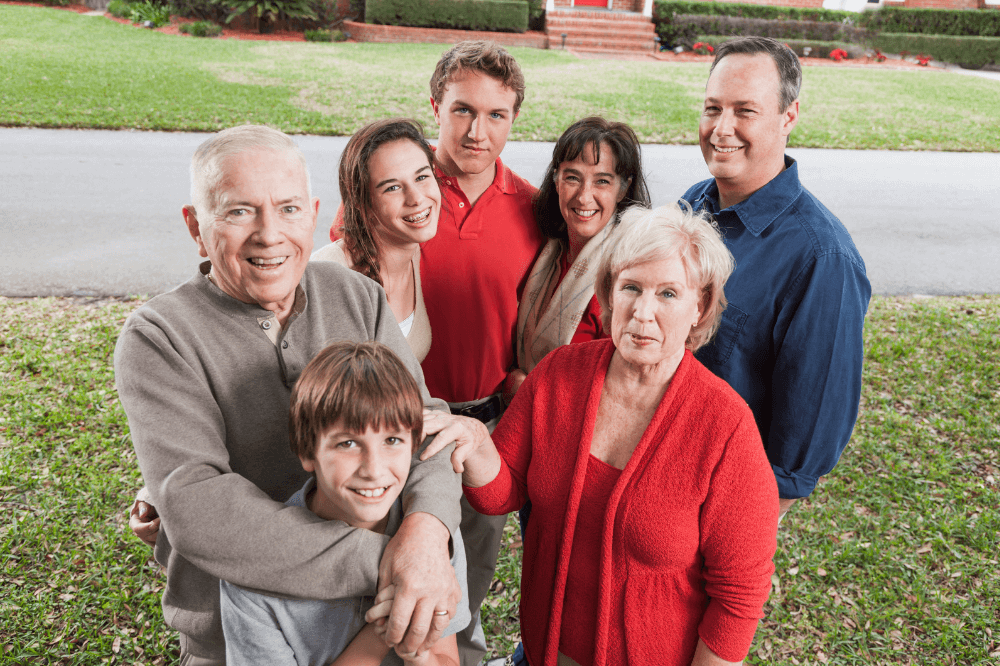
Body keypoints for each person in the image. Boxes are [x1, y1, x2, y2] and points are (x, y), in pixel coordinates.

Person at [115, 124, 463, 665]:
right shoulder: (160, 336)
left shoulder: (357, 297)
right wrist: (393, 560)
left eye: (289, 209)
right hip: (238, 635)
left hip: (383, 621)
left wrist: (425, 530)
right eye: (239, 211)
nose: (269, 234)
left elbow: (426, 429)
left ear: (316, 211)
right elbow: (197, 506)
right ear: (196, 227)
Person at [425, 204, 780, 666]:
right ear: (609, 293)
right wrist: (474, 440)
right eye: (630, 287)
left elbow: (739, 595)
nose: (643, 312)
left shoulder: (725, 426)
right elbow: (501, 491)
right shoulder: (558, 374)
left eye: (668, 293)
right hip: (541, 653)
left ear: (701, 307)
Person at [682, 36, 871, 518]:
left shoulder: (821, 258)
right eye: (712, 108)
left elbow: (797, 456)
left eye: (745, 111)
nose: (721, 129)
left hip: (718, 508)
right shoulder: (694, 204)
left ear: (788, 117)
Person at [220, 341, 471, 666]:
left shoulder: (430, 533)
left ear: (413, 443)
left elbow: (446, 657)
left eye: (392, 440)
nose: (374, 469)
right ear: (308, 452)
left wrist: (419, 654)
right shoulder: (254, 574)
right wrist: (384, 632)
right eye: (348, 443)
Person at [513, 116, 651, 389]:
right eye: (573, 178)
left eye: (602, 181)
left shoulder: (625, 277)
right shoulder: (548, 252)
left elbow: (621, 386)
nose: (584, 196)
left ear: (623, 188)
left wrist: (526, 388)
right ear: (556, 179)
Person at [313, 119, 439, 362]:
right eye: (392, 188)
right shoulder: (328, 275)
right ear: (363, 204)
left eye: (422, 177)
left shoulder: (416, 255)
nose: (416, 198)